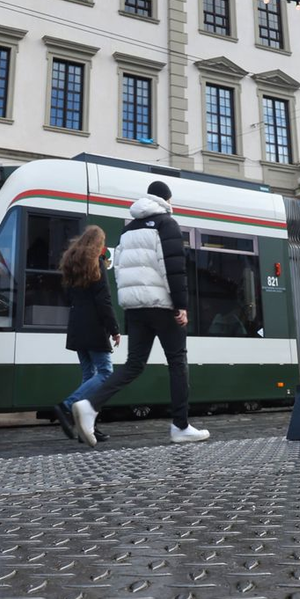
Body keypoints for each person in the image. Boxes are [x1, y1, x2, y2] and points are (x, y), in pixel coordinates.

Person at [72, 180, 210, 446]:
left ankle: (90, 406)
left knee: (134, 365)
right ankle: (180, 426)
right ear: (166, 200)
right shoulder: (166, 224)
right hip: (162, 305)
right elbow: (173, 266)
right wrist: (180, 305)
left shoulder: (129, 228)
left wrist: (129, 303)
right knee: (178, 363)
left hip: (135, 307)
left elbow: (120, 268)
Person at [51, 225, 121, 444]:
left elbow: (68, 296)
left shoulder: (71, 264)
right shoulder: (96, 265)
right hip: (93, 327)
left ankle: (87, 428)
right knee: (106, 373)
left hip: (77, 326)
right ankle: (66, 406)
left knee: (89, 376)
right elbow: (104, 301)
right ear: (98, 244)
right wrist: (114, 330)